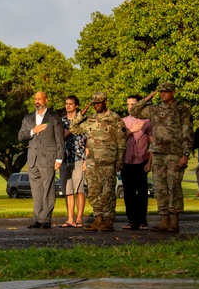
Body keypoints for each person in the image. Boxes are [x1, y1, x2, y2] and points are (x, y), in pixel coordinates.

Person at [130, 81, 194, 233]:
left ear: (173, 92)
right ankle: (164, 219)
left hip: (174, 153)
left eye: (166, 91)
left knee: (174, 187)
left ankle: (174, 221)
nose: (163, 93)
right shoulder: (155, 109)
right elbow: (135, 112)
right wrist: (147, 98)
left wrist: (185, 154)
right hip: (158, 153)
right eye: (161, 91)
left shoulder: (181, 110)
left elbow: (187, 133)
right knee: (160, 188)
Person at [70, 92, 127, 231]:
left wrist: (119, 161)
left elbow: (121, 142)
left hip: (108, 161)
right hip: (92, 161)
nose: (97, 106)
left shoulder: (114, 118)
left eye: (99, 103)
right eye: (94, 103)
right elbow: (73, 128)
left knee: (107, 192)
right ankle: (98, 219)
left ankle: (108, 221)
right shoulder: (90, 119)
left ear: (105, 102)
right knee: (94, 191)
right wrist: (82, 112)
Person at [18, 91, 65, 229]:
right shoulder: (28, 118)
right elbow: (20, 136)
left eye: (40, 99)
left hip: (48, 158)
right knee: (36, 189)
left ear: (46, 100)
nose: (37, 101)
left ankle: (46, 219)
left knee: (48, 188)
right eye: (35, 99)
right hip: (33, 158)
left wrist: (59, 158)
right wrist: (33, 130)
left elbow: (59, 138)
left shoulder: (54, 116)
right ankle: (38, 219)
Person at [121, 94, 153, 229]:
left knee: (141, 192)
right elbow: (119, 140)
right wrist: (131, 131)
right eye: (128, 104)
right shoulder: (123, 121)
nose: (130, 107)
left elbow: (152, 143)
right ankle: (131, 221)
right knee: (128, 193)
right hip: (126, 162)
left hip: (141, 161)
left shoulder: (147, 122)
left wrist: (150, 162)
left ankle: (142, 221)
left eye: (133, 104)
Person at [60, 96, 87, 227]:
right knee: (68, 190)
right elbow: (60, 139)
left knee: (79, 189)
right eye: (66, 104)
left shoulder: (84, 121)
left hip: (79, 157)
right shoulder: (61, 121)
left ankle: (79, 218)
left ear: (76, 105)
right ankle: (70, 218)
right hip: (65, 157)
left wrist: (87, 160)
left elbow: (88, 141)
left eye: (71, 104)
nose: (68, 106)